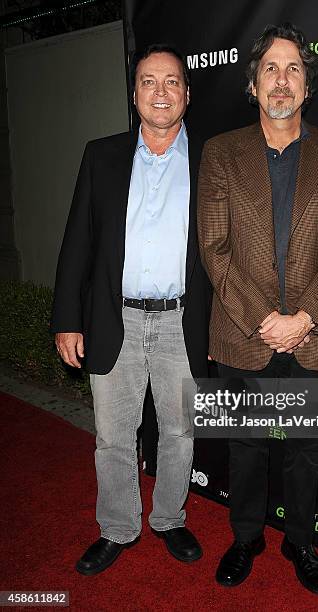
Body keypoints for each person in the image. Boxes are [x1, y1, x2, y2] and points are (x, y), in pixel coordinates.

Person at [198, 22, 318, 594]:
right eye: (270, 67)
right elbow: (214, 249)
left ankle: (301, 543)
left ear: (306, 87)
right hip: (244, 334)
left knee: (304, 451)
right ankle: (246, 537)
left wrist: (304, 319)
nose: (281, 79)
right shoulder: (220, 154)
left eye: (293, 68)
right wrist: (263, 322)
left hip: (314, 337)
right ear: (253, 84)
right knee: (245, 447)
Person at [51, 44, 211, 576]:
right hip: (113, 318)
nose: (160, 92)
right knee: (114, 437)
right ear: (135, 93)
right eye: (149, 81)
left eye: (171, 82)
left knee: (180, 431)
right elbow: (78, 243)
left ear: (187, 94)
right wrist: (68, 319)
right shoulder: (102, 155)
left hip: (181, 321)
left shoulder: (213, 160)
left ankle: (169, 517)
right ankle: (117, 527)